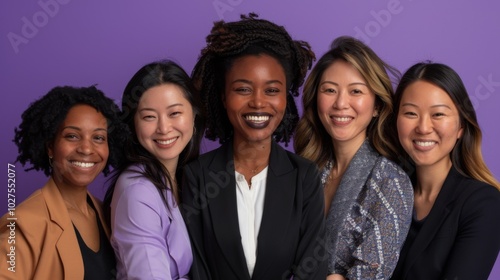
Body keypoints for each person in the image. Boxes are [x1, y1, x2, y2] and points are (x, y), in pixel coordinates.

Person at [181, 13, 327, 280]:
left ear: (286, 97)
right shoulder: (197, 176)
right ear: (224, 97)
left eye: (272, 90)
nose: (258, 103)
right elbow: (197, 270)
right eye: (243, 89)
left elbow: (312, 272)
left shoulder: (304, 178)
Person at [294, 36, 414, 280]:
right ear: (316, 98)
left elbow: (372, 275)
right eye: (329, 90)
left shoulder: (390, 181)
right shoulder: (306, 170)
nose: (340, 103)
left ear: (377, 106)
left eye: (356, 91)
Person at [0, 86, 127, 280]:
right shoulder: (23, 225)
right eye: (72, 136)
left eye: (98, 138)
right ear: (51, 146)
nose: (86, 148)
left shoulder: (108, 214)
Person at [389, 62, 500, 280]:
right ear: (396, 122)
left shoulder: (483, 204)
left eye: (438, 114)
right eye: (411, 113)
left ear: (461, 127)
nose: (423, 127)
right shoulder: (386, 191)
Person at [103, 60, 204, 280]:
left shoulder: (188, 178)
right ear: (133, 124)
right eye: (149, 116)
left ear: (194, 115)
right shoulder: (138, 191)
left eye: (175, 113)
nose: (164, 128)